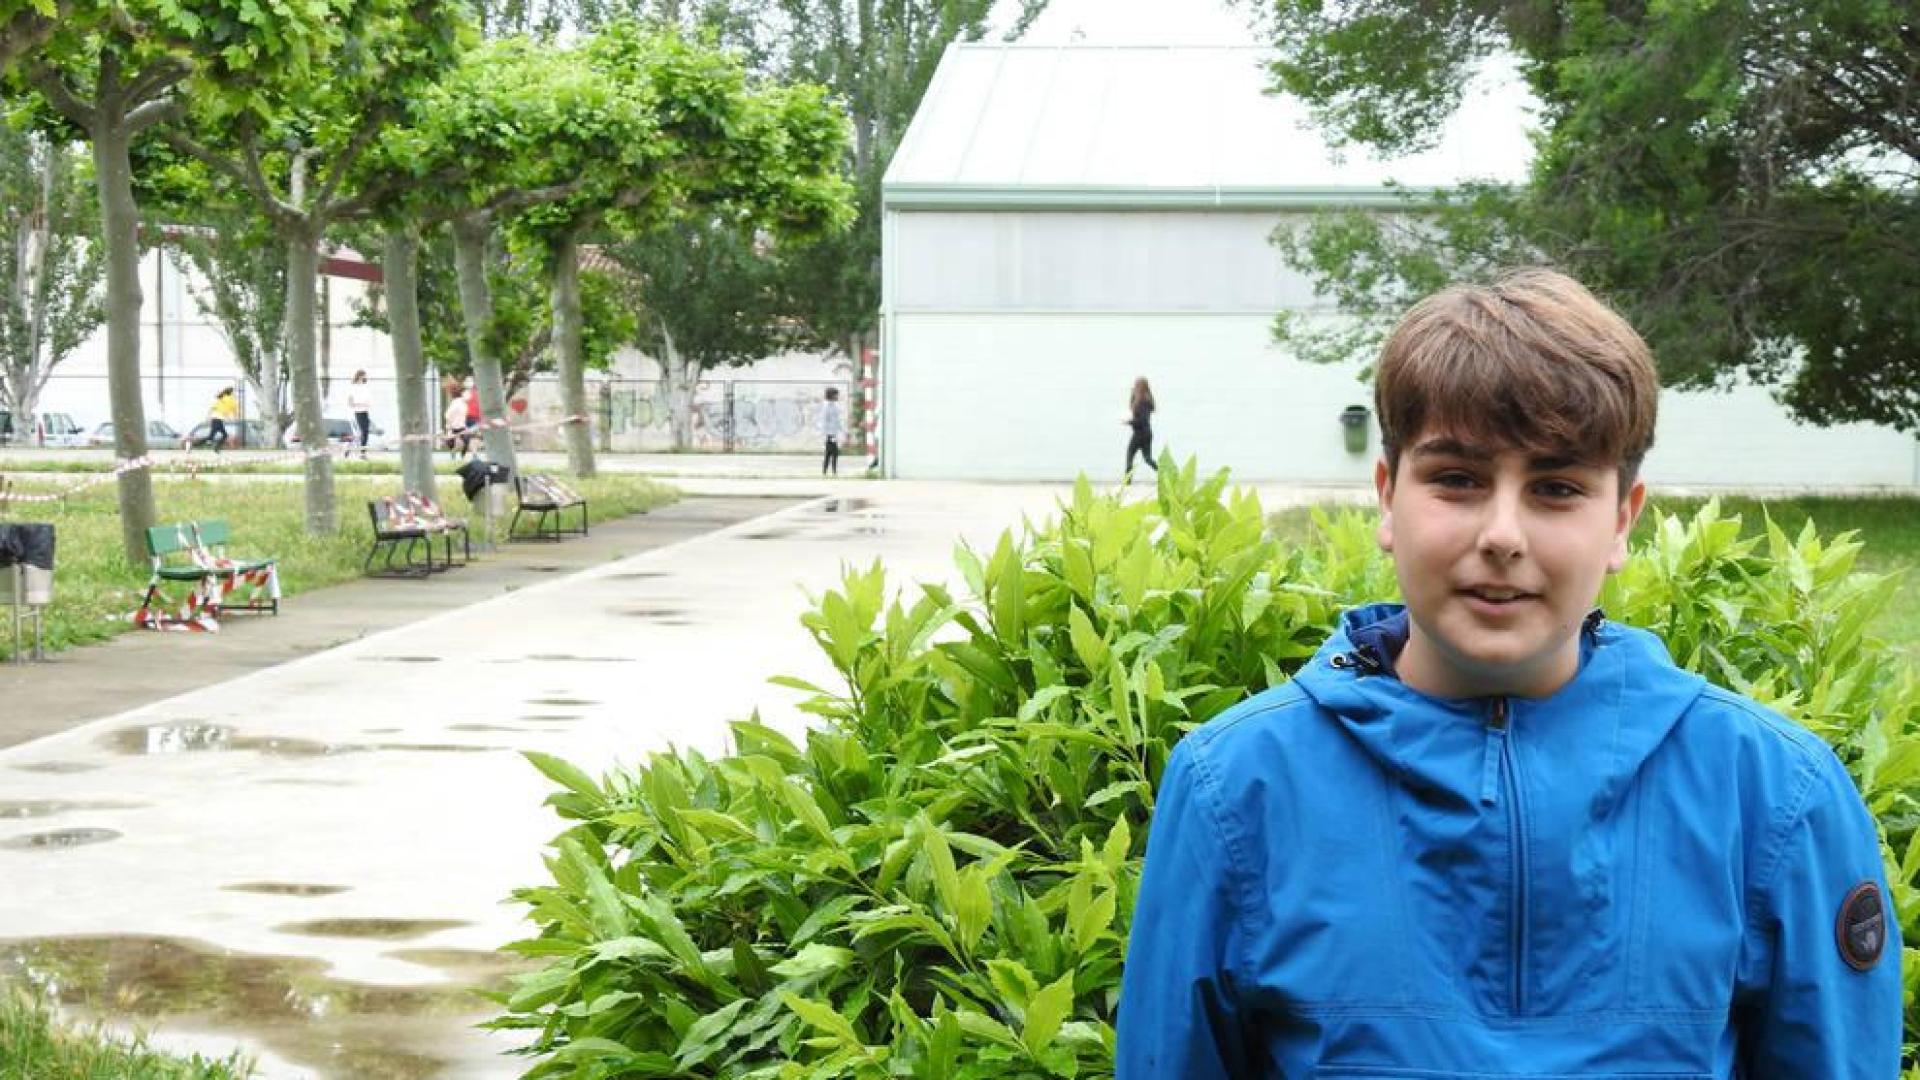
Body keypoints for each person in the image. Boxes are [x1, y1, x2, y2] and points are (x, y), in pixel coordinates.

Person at [1116, 269, 1899, 1077]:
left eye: (1557, 488)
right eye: (1457, 479)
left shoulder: (1775, 793)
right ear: (1388, 498)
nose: (1502, 534)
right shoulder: (1234, 786)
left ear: (1623, 520)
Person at [1124, 376, 1156, 474]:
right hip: (1146, 433)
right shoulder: (1146, 399)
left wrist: (1129, 422)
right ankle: (1163, 474)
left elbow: (1142, 420)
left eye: (1135, 386)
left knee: (1130, 456)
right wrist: (1132, 395)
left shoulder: (1143, 402)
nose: (1134, 387)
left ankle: (1127, 482)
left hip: (1140, 434)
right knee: (1147, 458)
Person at [192, 387, 239, 453]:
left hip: (215, 419)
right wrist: (235, 417)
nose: (234, 394)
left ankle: (216, 448)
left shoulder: (221, 398)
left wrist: (208, 416)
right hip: (218, 420)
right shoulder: (231, 400)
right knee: (211, 437)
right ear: (231, 393)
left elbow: (212, 408)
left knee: (222, 435)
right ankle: (193, 445)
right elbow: (234, 410)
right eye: (233, 393)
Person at [347, 370, 373, 459]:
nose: (365, 378)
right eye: (364, 376)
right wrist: (359, 404)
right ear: (360, 376)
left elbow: (369, 401)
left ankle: (362, 452)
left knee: (365, 432)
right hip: (358, 412)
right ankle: (361, 452)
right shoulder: (353, 387)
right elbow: (350, 402)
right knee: (362, 432)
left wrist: (365, 404)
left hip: (365, 411)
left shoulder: (365, 387)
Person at [821, 386, 844, 476]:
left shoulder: (834, 406)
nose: (837, 396)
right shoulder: (826, 406)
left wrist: (842, 430)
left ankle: (829, 471)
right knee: (832, 452)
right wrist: (825, 434)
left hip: (834, 433)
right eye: (836, 395)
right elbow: (824, 420)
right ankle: (829, 471)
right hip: (829, 434)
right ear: (831, 395)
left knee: (831, 453)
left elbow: (837, 420)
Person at [443, 387, 470, 458]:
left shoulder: (465, 404)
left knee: (466, 441)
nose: (469, 395)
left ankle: (462, 456)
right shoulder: (457, 402)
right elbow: (447, 414)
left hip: (461, 426)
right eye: (467, 394)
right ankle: (453, 455)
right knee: (451, 443)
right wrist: (449, 425)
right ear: (462, 394)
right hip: (453, 426)